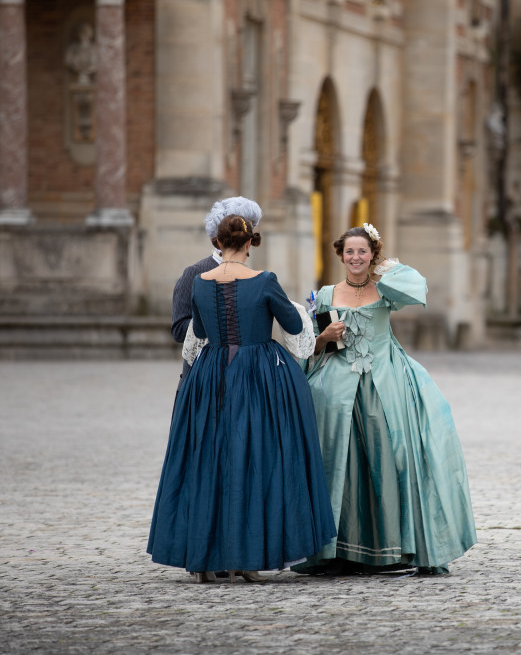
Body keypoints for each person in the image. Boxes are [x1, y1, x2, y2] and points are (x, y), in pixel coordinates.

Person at [148, 214, 336, 582]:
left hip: (211, 375)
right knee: (255, 457)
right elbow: (294, 328)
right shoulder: (264, 281)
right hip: (257, 376)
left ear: (218, 243)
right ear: (250, 244)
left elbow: (199, 332)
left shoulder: (200, 282)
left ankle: (204, 561)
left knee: (209, 459)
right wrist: (300, 311)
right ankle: (247, 559)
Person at [294, 223, 476, 576]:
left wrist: (387, 268)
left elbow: (417, 288)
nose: (355, 257)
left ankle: (390, 549)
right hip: (337, 388)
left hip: (385, 381)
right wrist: (325, 335)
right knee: (338, 462)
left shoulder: (386, 290)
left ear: (372, 254)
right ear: (340, 255)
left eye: (362, 251)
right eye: (349, 251)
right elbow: (310, 347)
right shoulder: (326, 294)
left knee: (389, 457)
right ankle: (336, 551)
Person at [170, 197, 263, 388]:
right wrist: (217, 322)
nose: (247, 234)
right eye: (240, 227)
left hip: (242, 376)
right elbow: (179, 329)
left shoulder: (254, 276)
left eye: (250, 228)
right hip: (203, 376)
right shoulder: (196, 272)